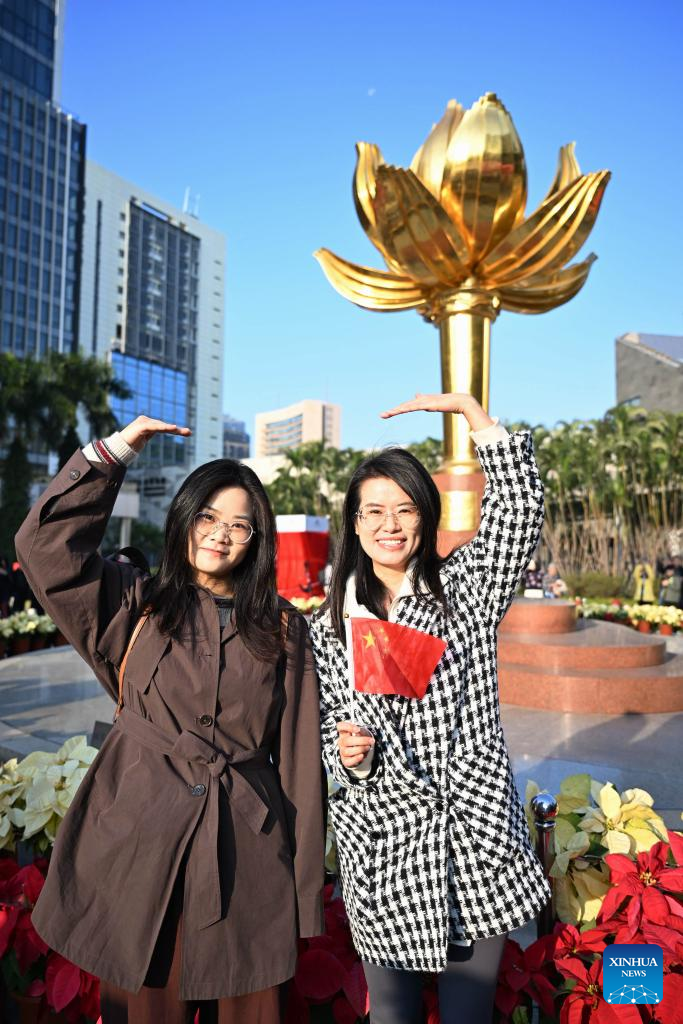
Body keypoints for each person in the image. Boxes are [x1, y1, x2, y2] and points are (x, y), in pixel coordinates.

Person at [15, 416, 325, 1024]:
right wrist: (114, 453)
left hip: (247, 860)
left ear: (258, 539)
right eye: (207, 516)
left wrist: (303, 898)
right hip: (138, 847)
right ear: (183, 519)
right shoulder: (135, 604)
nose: (221, 534)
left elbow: (297, 764)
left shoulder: (284, 629)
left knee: (250, 1005)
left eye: (240, 524)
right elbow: (43, 549)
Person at [309, 393, 550, 1024]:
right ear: (355, 525)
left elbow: (518, 514)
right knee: (392, 1017)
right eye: (375, 512)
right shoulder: (328, 627)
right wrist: (347, 756)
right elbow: (328, 733)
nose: (390, 525)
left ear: (426, 517)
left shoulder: (465, 591)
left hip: (474, 844)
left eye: (405, 509)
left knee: (471, 1015)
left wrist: (477, 417)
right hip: (383, 854)